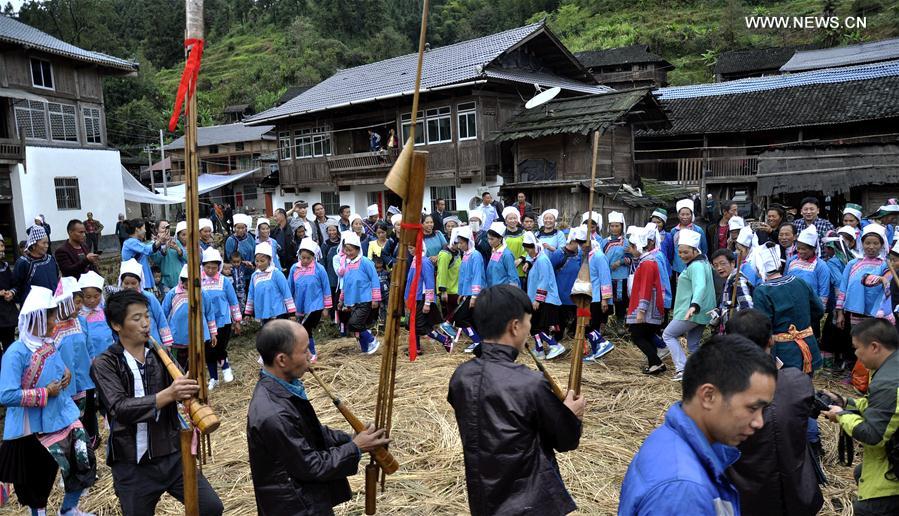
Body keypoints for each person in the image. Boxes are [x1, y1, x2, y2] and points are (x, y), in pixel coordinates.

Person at [448, 284, 585, 516]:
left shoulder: (460, 378)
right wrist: (571, 414)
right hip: (531, 502)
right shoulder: (529, 384)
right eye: (528, 323)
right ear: (515, 326)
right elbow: (565, 440)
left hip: (483, 499)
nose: (530, 331)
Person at [90, 289, 224, 516]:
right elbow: (120, 409)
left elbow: (182, 389)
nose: (145, 324)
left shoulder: (159, 355)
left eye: (147, 316)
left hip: (172, 454)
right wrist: (169, 394)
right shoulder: (105, 364)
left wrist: (191, 385)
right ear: (116, 325)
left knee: (210, 508)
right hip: (132, 463)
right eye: (136, 318)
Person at [619, 335, 777, 515]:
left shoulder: (668, 438)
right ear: (708, 396)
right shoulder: (684, 492)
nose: (759, 422)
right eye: (752, 408)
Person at [247, 319, 389, 516]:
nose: (310, 356)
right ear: (282, 360)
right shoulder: (273, 413)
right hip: (294, 507)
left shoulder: (284, 389)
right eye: (305, 351)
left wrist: (352, 439)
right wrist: (356, 448)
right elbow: (311, 465)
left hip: (304, 499)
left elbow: (313, 433)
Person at [0, 286, 96, 516]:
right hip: (34, 428)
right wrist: (44, 393)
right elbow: (6, 395)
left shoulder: (47, 343)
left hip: (63, 416)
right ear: (36, 319)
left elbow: (58, 365)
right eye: (50, 316)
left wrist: (66, 373)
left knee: (83, 460)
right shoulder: (16, 352)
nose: (54, 321)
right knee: (38, 480)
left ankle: (70, 508)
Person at [725, 309, 824, 516]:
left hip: (747, 500)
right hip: (798, 496)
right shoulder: (797, 382)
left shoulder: (719, 394)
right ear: (771, 341)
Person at [821, 318, 899, 515]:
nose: (855, 354)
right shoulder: (891, 367)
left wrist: (842, 416)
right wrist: (846, 403)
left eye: (856, 348)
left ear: (874, 347)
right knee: (859, 472)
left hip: (893, 466)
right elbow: (882, 408)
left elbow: (873, 435)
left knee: (863, 510)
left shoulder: (887, 384)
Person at [752, 243, 824, 373]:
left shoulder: (762, 291)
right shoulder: (799, 281)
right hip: (808, 344)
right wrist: (803, 325)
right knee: (805, 388)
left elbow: (763, 327)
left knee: (786, 390)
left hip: (783, 352)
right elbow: (818, 310)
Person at [663, 228, 716, 382]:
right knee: (693, 345)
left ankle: (682, 369)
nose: (682, 255)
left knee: (668, 334)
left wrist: (694, 305)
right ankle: (706, 370)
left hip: (692, 311)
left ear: (695, 250)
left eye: (685, 252)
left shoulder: (696, 266)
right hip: (702, 312)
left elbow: (700, 286)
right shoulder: (703, 263)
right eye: (679, 252)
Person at [624, 226, 667, 375]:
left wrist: (641, 310)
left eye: (632, 246)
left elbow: (646, 287)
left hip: (647, 308)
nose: (630, 249)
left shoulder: (648, 263)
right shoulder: (646, 261)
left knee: (637, 335)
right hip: (648, 306)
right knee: (646, 335)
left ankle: (656, 361)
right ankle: (654, 363)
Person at [162, 265, 218, 372]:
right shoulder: (173, 293)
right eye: (186, 281)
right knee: (180, 362)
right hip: (178, 335)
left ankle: (196, 381)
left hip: (198, 334)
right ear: (181, 281)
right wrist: (165, 336)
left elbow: (209, 313)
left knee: (197, 362)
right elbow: (163, 312)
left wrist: (213, 333)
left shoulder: (202, 294)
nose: (189, 284)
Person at [200, 249, 242, 389]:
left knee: (220, 347)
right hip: (205, 323)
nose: (211, 270)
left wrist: (237, 320)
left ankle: (226, 368)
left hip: (223, 320)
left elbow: (233, 301)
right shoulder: (199, 281)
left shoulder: (224, 281)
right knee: (209, 351)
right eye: (208, 267)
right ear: (203, 266)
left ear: (219, 266)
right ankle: (213, 378)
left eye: (214, 267)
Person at [522, 231, 566, 360]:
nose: (528, 252)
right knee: (534, 325)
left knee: (538, 326)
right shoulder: (536, 259)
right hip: (538, 298)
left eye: (529, 249)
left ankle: (554, 345)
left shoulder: (542, 260)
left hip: (546, 299)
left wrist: (537, 299)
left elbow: (544, 281)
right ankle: (539, 349)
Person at [287, 238, 332, 363]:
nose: (305, 261)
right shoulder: (294, 269)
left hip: (315, 305)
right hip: (299, 305)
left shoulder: (319, 269)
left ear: (313, 257)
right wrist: (289, 305)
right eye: (303, 258)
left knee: (306, 329)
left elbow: (326, 287)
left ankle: (312, 353)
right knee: (301, 330)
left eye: (308, 258)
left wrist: (326, 307)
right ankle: (304, 352)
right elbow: (289, 287)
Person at [338, 231, 381, 354]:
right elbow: (345, 284)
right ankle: (365, 349)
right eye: (346, 250)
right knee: (358, 325)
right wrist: (341, 300)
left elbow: (374, 279)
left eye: (351, 250)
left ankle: (371, 340)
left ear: (357, 249)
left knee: (354, 324)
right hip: (352, 300)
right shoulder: (346, 263)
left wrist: (375, 298)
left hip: (365, 299)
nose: (348, 253)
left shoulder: (365, 262)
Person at [118, 259, 174, 348]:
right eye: (126, 283)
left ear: (140, 283)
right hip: (131, 346)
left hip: (154, 343)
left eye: (133, 283)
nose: (129, 286)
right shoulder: (119, 301)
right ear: (121, 283)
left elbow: (161, 319)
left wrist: (167, 344)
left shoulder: (149, 297)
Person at [245, 244, 296, 325]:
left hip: (278, 312)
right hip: (263, 313)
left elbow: (286, 293)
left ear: (269, 260)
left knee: (279, 335)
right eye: (257, 261)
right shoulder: (255, 276)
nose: (259, 264)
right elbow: (251, 295)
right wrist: (248, 313)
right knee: (268, 335)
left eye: (262, 261)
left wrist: (292, 313)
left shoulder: (276, 274)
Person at [455, 226, 485, 353]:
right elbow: (463, 276)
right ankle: (479, 341)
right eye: (459, 243)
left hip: (474, 294)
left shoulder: (475, 255)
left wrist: (474, 295)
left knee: (461, 318)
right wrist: (461, 293)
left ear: (468, 242)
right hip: (467, 293)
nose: (459, 246)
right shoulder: (466, 255)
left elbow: (477, 275)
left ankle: (477, 341)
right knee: (471, 319)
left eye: (461, 243)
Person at [786, 226, 831, 310]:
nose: (800, 252)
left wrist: (821, 309)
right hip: (791, 305)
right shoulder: (791, 260)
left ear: (813, 249)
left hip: (810, 307)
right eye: (798, 248)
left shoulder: (821, 265)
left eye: (804, 249)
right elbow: (785, 280)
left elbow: (824, 290)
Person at [12, 225, 60, 303]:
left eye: (47, 243)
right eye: (44, 243)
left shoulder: (50, 259)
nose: (47, 246)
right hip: (34, 306)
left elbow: (56, 277)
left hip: (53, 303)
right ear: (33, 245)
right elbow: (17, 285)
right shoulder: (23, 263)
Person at [709, 249, 753, 332]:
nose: (719, 268)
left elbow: (747, 307)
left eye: (722, 264)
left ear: (732, 263)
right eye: (716, 265)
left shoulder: (738, 280)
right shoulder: (727, 281)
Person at [663, 198, 708, 277]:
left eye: (688, 214)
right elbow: (672, 249)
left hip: (695, 264)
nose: (685, 217)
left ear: (692, 214)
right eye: (682, 214)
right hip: (678, 266)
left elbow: (704, 248)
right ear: (678, 215)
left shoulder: (698, 230)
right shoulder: (674, 231)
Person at [121, 219, 166, 291]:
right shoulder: (130, 242)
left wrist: (157, 242)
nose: (145, 231)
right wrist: (159, 241)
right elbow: (148, 250)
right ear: (137, 229)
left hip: (141, 278)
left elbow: (149, 248)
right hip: (136, 280)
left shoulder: (135, 242)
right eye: (144, 228)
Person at [485, 222, 518, 288]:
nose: (489, 241)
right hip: (493, 290)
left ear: (500, 238)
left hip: (503, 291)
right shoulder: (494, 251)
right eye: (488, 238)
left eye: (492, 239)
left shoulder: (507, 254)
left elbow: (513, 276)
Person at [0, 238, 17, 357]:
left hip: (7, 313)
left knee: (9, 345)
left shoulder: (5, 266)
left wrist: (11, 292)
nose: (2, 249)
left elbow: (14, 284)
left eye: (2, 246)